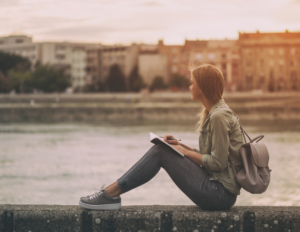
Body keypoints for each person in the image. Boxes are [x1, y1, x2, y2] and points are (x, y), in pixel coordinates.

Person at [79, 64, 244, 211]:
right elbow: (214, 157)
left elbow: (218, 163)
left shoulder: (218, 116)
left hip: (219, 194)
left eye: (192, 83)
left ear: (203, 87)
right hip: (217, 190)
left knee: (160, 152)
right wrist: (181, 146)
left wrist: (184, 153)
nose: (189, 86)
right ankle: (110, 193)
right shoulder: (215, 112)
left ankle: (110, 194)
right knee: (163, 149)